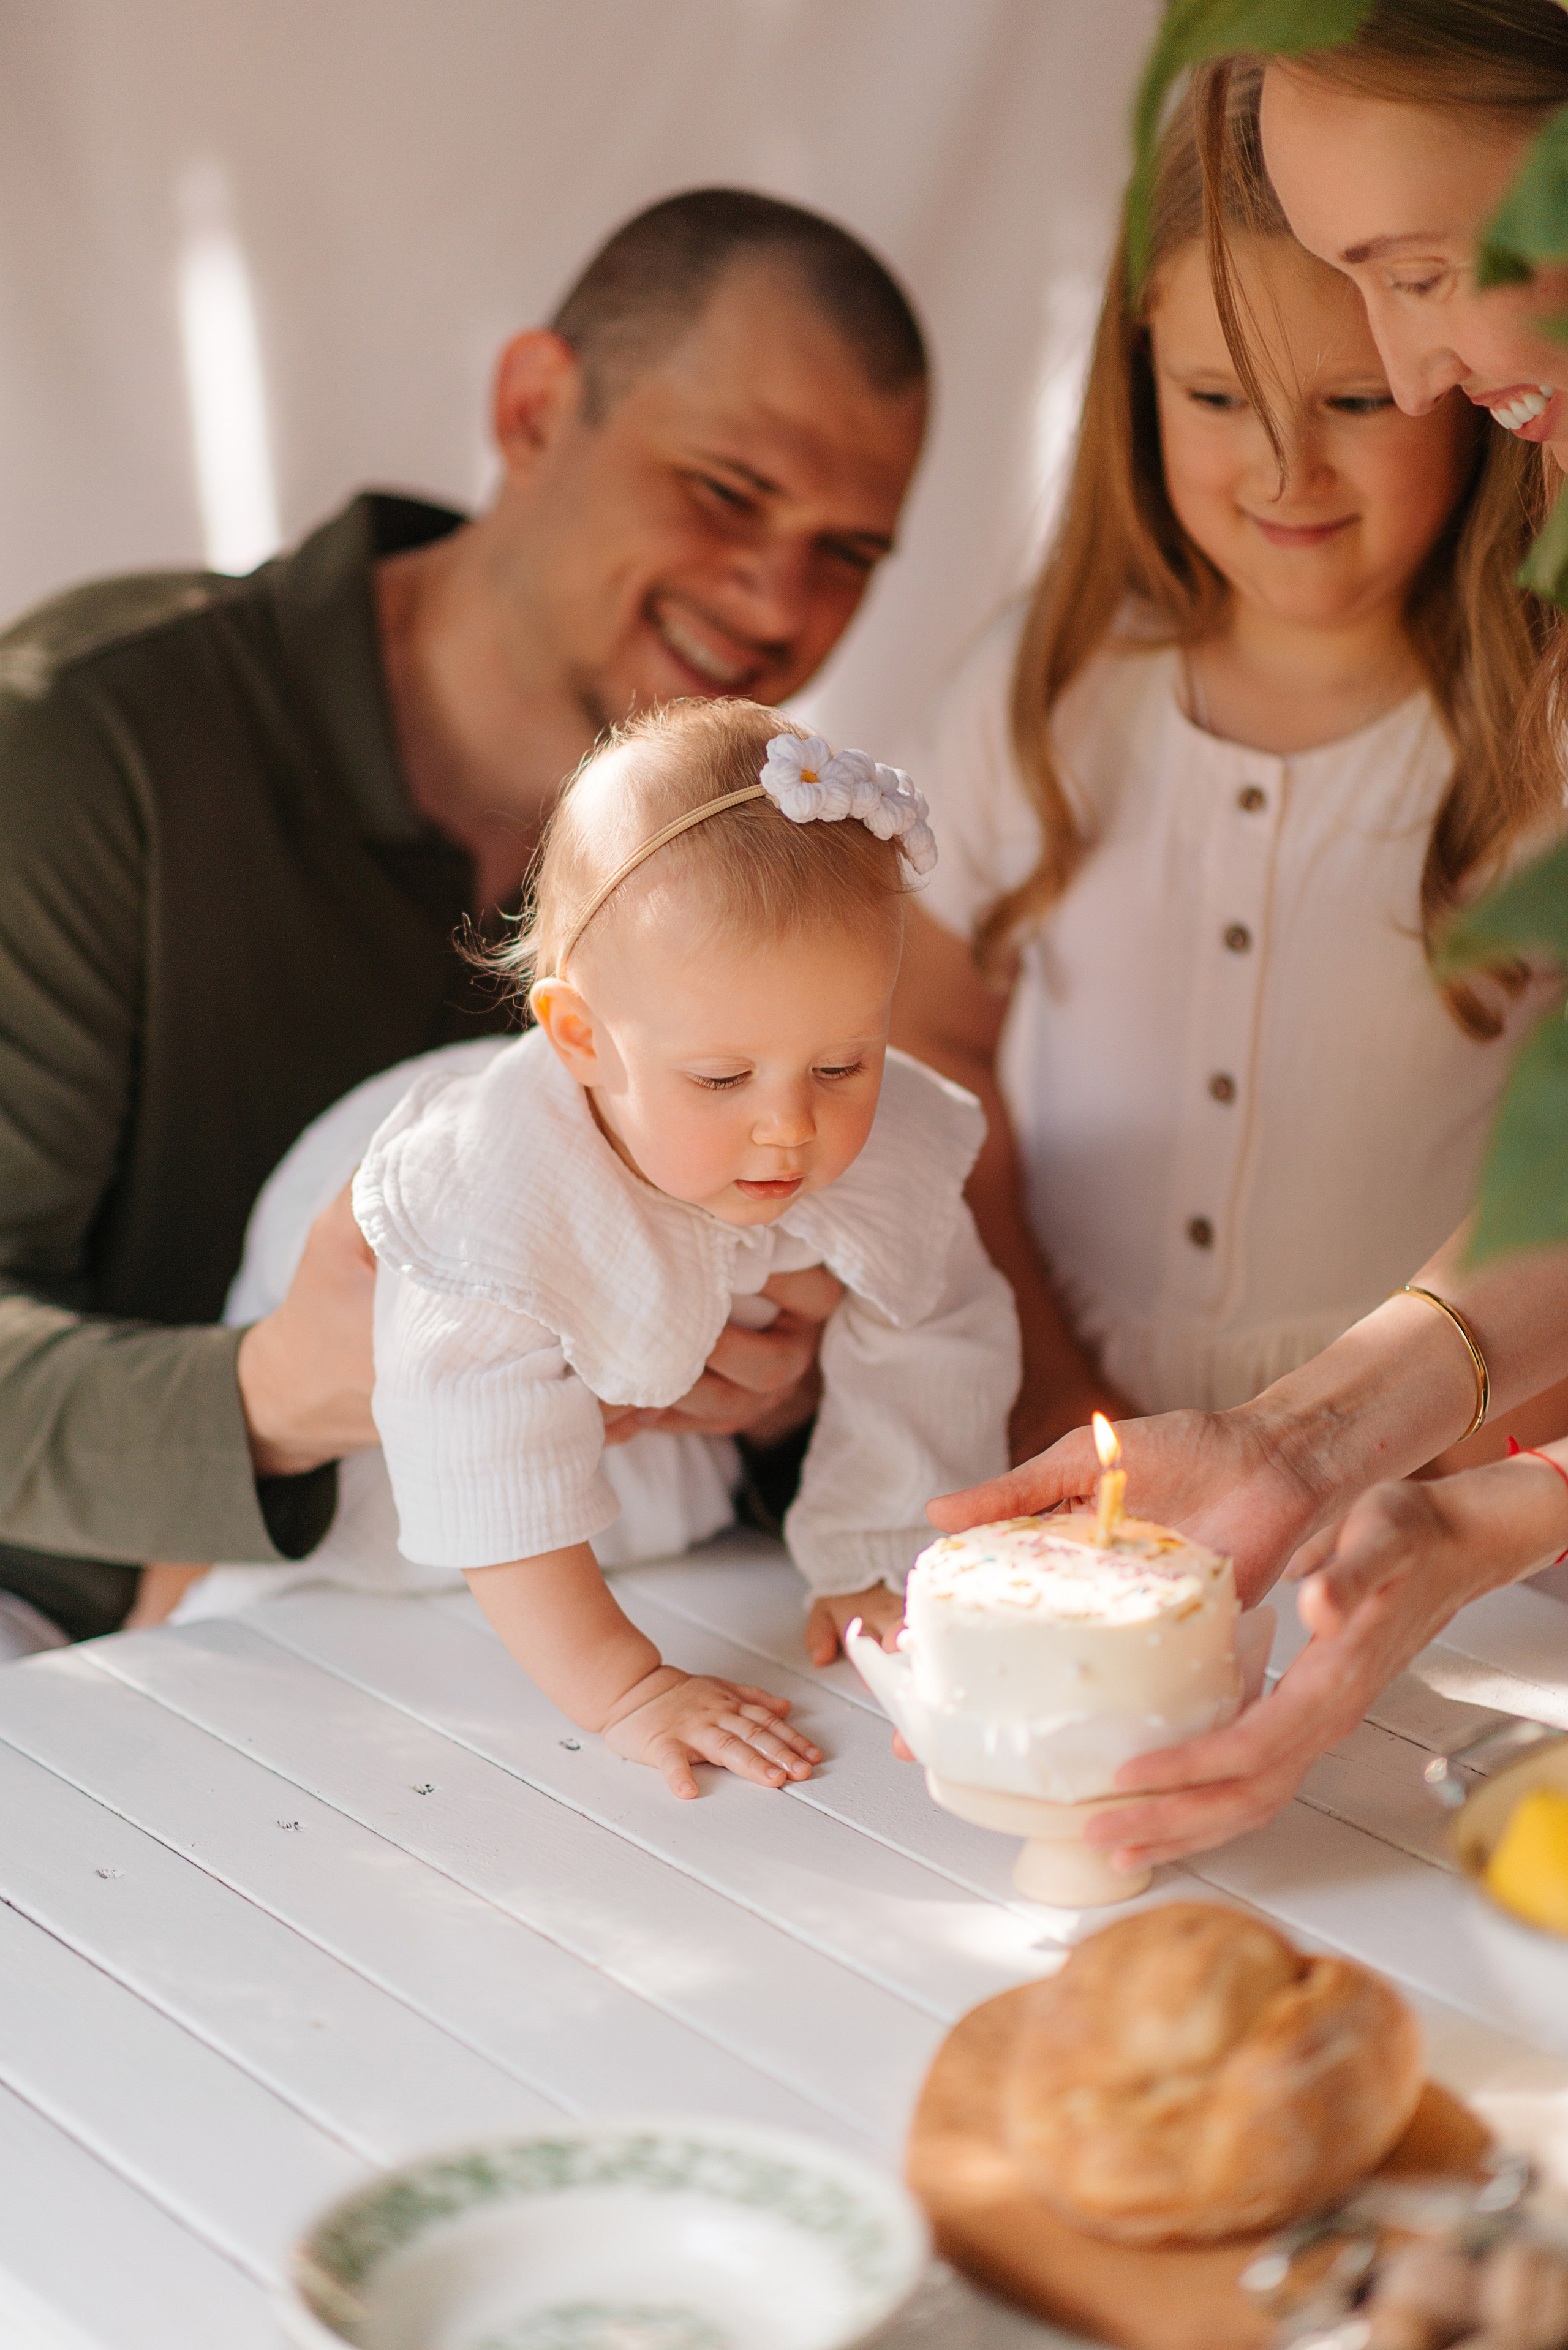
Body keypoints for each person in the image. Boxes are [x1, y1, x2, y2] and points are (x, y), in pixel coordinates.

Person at [0, 187, 930, 1658]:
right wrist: (278, 1391)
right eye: (729, 492)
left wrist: (780, 1361)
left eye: (849, 552)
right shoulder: (87, 739)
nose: (778, 601)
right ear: (533, 406)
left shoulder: (757, 856)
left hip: (528, 1627)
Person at [930, 0, 1568, 1877]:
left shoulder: (1515, 727)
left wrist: (1468, 1492)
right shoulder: (1050, 700)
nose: (1415, 365)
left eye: (1430, 277)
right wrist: (1319, 1460)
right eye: (1378, 286)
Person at [149, 701, 1019, 1783]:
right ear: (581, 1038)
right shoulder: (494, 1196)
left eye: (843, 1064)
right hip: (397, 1510)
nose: (790, 1125)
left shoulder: (865, 1145)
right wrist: (629, 1686)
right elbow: (482, 1458)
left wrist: (880, 1555)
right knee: (230, 1659)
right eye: (721, 1078)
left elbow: (938, 1330)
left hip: (664, 1504)